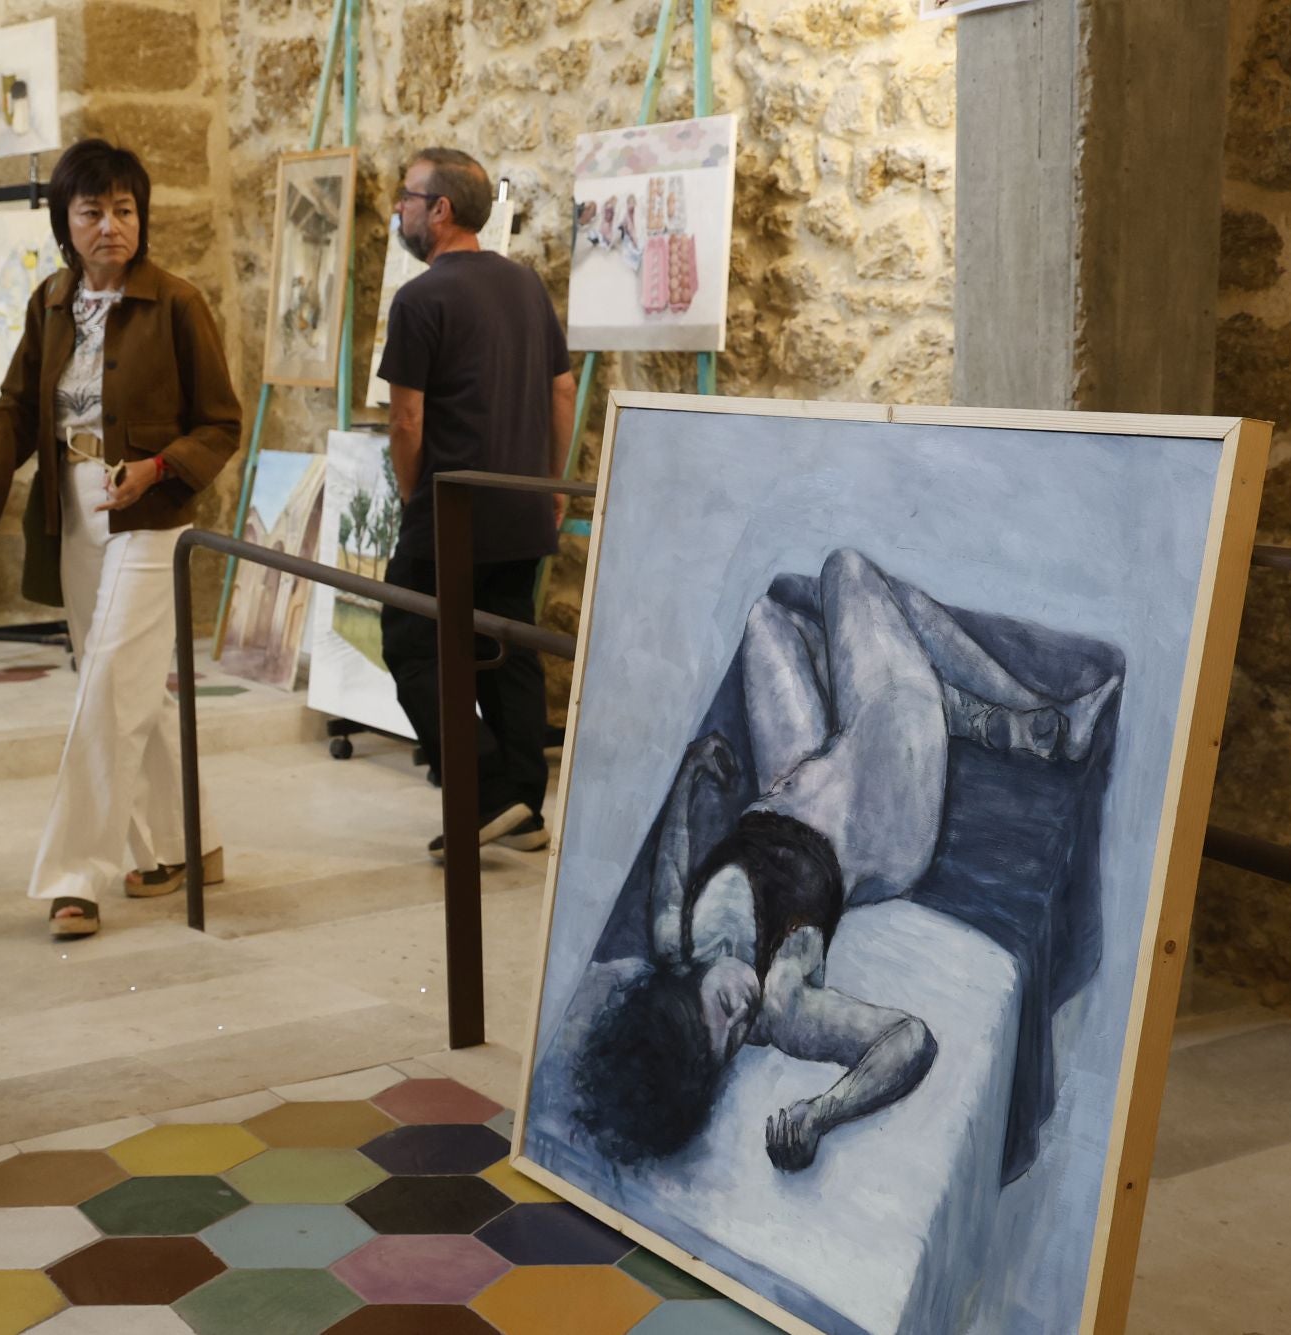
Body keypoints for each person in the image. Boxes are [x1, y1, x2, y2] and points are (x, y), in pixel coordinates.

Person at [560, 550, 1121, 1171]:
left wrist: (690, 778)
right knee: (848, 571)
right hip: (878, 813)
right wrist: (823, 1112)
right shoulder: (784, 1005)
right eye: (734, 1045)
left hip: (792, 778)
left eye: (724, 1011)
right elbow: (907, 1040)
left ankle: (977, 719)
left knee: (765, 619)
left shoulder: (678, 943)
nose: (743, 1017)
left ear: (681, 984)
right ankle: (1036, 721)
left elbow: (668, 879)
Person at [0, 139, 242, 939]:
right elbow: (14, 414)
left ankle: (77, 876)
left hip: (150, 512)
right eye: (93, 211)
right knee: (126, 684)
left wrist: (160, 467)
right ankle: (187, 842)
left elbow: (222, 421)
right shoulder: (49, 303)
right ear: (64, 223)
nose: (111, 226)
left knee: (110, 683)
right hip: (71, 511)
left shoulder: (177, 303)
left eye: (125, 209)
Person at [378, 147, 578, 858]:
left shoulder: (420, 299)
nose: (398, 209)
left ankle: (491, 789)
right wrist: (550, 484)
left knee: (408, 640)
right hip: (522, 504)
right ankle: (525, 804)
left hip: (452, 510)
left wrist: (412, 496)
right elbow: (562, 390)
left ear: (441, 209)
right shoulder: (525, 287)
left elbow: (407, 421)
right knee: (507, 648)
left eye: (407, 196)